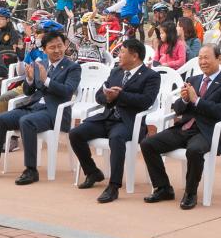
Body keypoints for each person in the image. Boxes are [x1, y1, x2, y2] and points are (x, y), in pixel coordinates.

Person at [0, 29, 82, 185]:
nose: (57, 50)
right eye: (52, 47)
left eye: (60, 46)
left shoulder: (72, 67)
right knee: (0, 119)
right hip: (33, 107)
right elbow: (28, 91)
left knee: (27, 121)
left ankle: (31, 170)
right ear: (44, 50)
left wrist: (46, 81)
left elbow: (67, 91)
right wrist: (31, 80)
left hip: (54, 112)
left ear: (65, 46)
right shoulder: (41, 64)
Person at [140, 44, 221, 210]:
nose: (202, 61)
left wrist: (197, 101)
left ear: (219, 59)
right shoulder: (193, 80)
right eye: (200, 58)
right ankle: (163, 187)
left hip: (207, 132)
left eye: (207, 57)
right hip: (184, 128)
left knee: (194, 151)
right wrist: (185, 100)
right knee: (148, 144)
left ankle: (190, 193)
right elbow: (178, 109)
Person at [69, 39, 161, 204]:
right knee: (76, 133)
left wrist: (120, 96)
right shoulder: (116, 72)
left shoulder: (151, 76)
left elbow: (146, 101)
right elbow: (99, 96)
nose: (119, 55)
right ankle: (92, 172)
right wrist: (108, 97)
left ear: (134, 56)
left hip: (129, 122)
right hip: (107, 117)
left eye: (122, 52)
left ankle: (113, 186)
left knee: (117, 139)